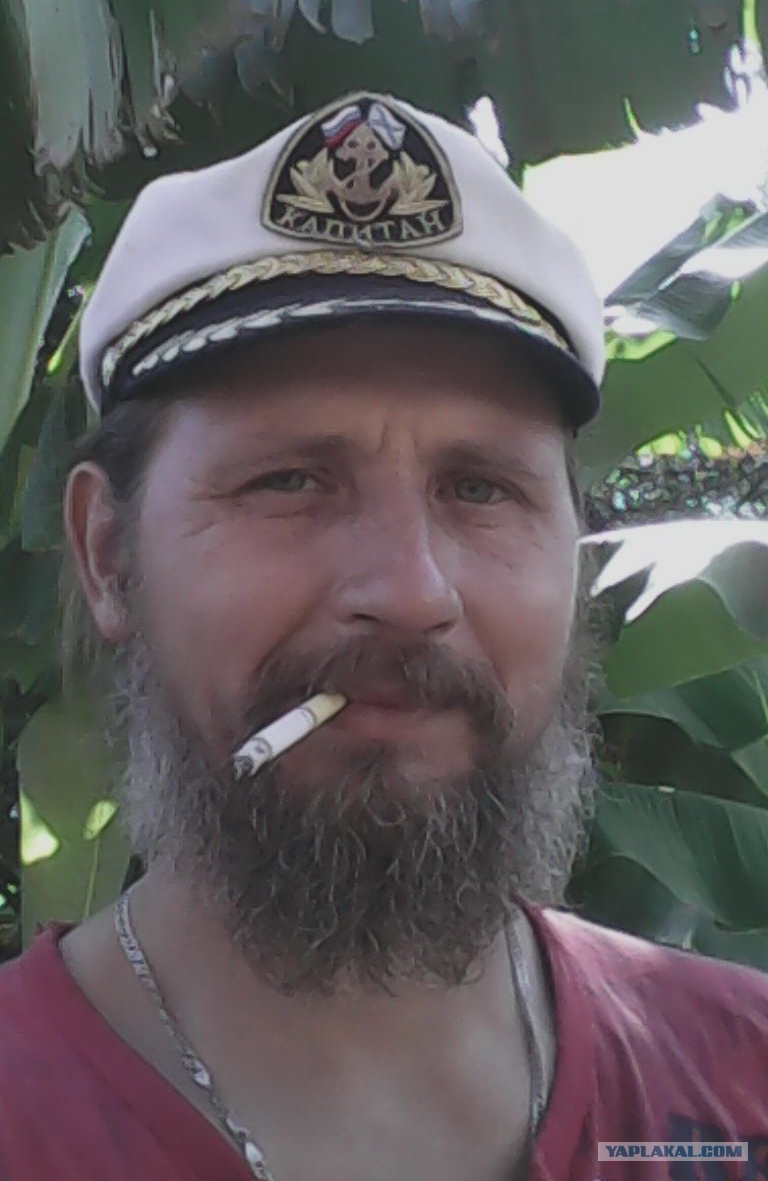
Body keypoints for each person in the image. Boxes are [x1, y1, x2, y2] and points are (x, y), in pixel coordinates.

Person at [1, 92, 766, 1181]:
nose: (411, 592)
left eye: (480, 487)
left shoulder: (741, 1090)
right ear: (108, 554)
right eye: (288, 480)